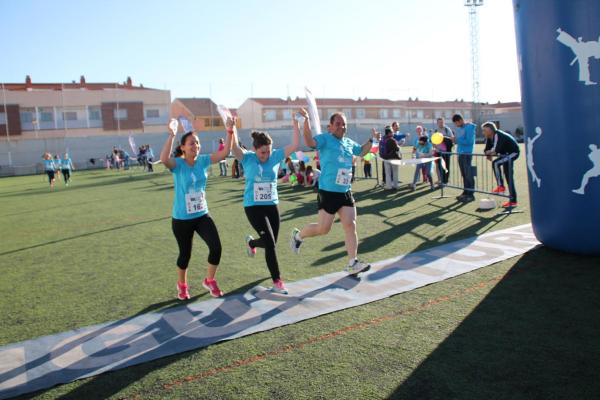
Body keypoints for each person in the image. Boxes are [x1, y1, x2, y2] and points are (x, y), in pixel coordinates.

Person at [290, 111, 380, 276]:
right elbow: (309, 141)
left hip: (345, 191)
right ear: (330, 127)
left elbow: (361, 151)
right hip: (328, 192)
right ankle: (298, 236)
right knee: (323, 229)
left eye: (344, 124)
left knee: (350, 225)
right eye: (338, 124)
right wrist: (306, 122)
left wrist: (373, 140)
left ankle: (353, 262)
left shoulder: (348, 142)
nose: (342, 127)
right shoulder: (325, 139)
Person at [159, 119, 233, 300]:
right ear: (183, 148)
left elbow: (224, 153)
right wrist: (171, 134)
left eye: (198, 143)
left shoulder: (203, 161)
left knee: (216, 247)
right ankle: (182, 285)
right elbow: (163, 159)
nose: (196, 146)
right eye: (192, 143)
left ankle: (210, 280)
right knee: (185, 254)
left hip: (201, 215)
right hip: (182, 218)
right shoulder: (178, 165)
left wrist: (230, 131)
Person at [232, 111, 301, 294]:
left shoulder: (276, 156)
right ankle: (277, 282)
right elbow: (234, 150)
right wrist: (231, 129)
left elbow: (295, 144)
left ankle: (252, 244)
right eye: (262, 152)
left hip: (272, 205)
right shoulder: (247, 158)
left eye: (268, 151)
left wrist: (296, 122)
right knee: (270, 244)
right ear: (255, 149)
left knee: (271, 242)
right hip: (253, 207)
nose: (266, 155)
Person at [482, 121, 520, 208]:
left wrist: (490, 153)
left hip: (513, 153)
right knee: (508, 177)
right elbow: (486, 150)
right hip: (505, 155)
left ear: (490, 130)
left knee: (496, 163)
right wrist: (488, 153)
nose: (483, 132)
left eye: (484, 130)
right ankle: (513, 201)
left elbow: (495, 150)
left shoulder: (498, 135)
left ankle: (501, 186)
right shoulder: (489, 137)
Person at [452, 114, 476, 202]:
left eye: (456, 123)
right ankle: (465, 192)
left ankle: (471, 194)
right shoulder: (459, 129)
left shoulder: (470, 127)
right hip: (460, 154)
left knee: (468, 174)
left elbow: (469, 142)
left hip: (467, 154)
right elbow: (460, 140)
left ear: (460, 120)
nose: (456, 125)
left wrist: (457, 140)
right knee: (464, 174)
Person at [434, 117, 454, 185]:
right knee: (440, 166)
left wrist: (444, 137)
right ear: (437, 123)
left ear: (444, 122)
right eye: (439, 122)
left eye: (442, 122)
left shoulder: (447, 129)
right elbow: (434, 141)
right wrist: (435, 148)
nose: (441, 123)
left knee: (446, 166)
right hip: (439, 152)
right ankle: (442, 180)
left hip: (446, 152)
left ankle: (446, 180)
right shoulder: (436, 130)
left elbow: (452, 138)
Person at [382, 125, 401, 190]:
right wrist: (398, 146)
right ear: (389, 133)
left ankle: (388, 186)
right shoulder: (392, 140)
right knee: (395, 172)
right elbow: (397, 149)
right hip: (394, 158)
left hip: (385, 158)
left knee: (387, 173)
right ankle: (395, 185)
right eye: (392, 132)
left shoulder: (383, 139)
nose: (393, 133)